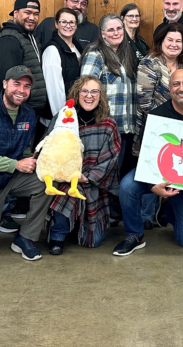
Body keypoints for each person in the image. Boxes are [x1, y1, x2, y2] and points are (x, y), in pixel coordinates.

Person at [114, 69, 183, 255]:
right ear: (170, 88)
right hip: (158, 176)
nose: (181, 88)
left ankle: (170, 210)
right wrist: (151, 185)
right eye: (176, 84)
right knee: (127, 186)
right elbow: (144, 155)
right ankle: (135, 235)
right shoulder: (156, 116)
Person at [0, 66, 51, 260]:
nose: (21, 90)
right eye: (16, 84)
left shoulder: (29, 114)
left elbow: (27, 151)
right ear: (4, 84)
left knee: (48, 182)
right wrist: (16, 165)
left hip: (14, 177)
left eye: (27, 86)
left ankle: (25, 237)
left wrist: (36, 162)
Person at [46, 76, 122, 254]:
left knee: (93, 241)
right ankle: (58, 234)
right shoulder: (64, 118)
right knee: (66, 193)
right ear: (76, 93)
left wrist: (87, 177)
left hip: (94, 182)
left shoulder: (108, 124)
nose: (90, 96)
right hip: (65, 178)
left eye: (94, 91)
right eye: (85, 91)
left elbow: (110, 159)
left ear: (100, 95)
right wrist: (67, 173)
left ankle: (80, 224)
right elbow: (50, 147)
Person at [131, 22, 183, 228]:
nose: (174, 44)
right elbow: (144, 102)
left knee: (175, 169)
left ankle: (168, 211)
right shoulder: (150, 63)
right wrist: (163, 127)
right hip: (153, 127)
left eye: (178, 41)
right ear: (161, 41)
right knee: (152, 170)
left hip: (182, 130)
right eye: (170, 40)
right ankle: (147, 216)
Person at [81, 14, 139, 171]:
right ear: (102, 34)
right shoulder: (95, 54)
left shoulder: (126, 55)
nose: (116, 33)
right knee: (106, 175)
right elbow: (86, 91)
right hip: (106, 129)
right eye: (111, 30)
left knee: (119, 175)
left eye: (119, 28)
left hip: (127, 128)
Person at [0, 0, 50, 126]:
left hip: (30, 111)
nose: (32, 18)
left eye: (36, 14)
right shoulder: (9, 39)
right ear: (15, 13)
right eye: (27, 12)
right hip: (18, 112)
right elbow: (7, 80)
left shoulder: (28, 37)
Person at [42, 8, 83, 116]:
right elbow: (54, 89)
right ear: (56, 24)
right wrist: (62, 117)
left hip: (74, 110)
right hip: (61, 116)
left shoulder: (77, 46)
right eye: (63, 22)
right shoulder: (52, 50)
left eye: (72, 22)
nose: (68, 25)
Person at [34, 0, 100, 52]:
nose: (78, 6)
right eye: (75, 1)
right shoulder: (47, 24)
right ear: (65, 1)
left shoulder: (93, 30)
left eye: (83, 3)